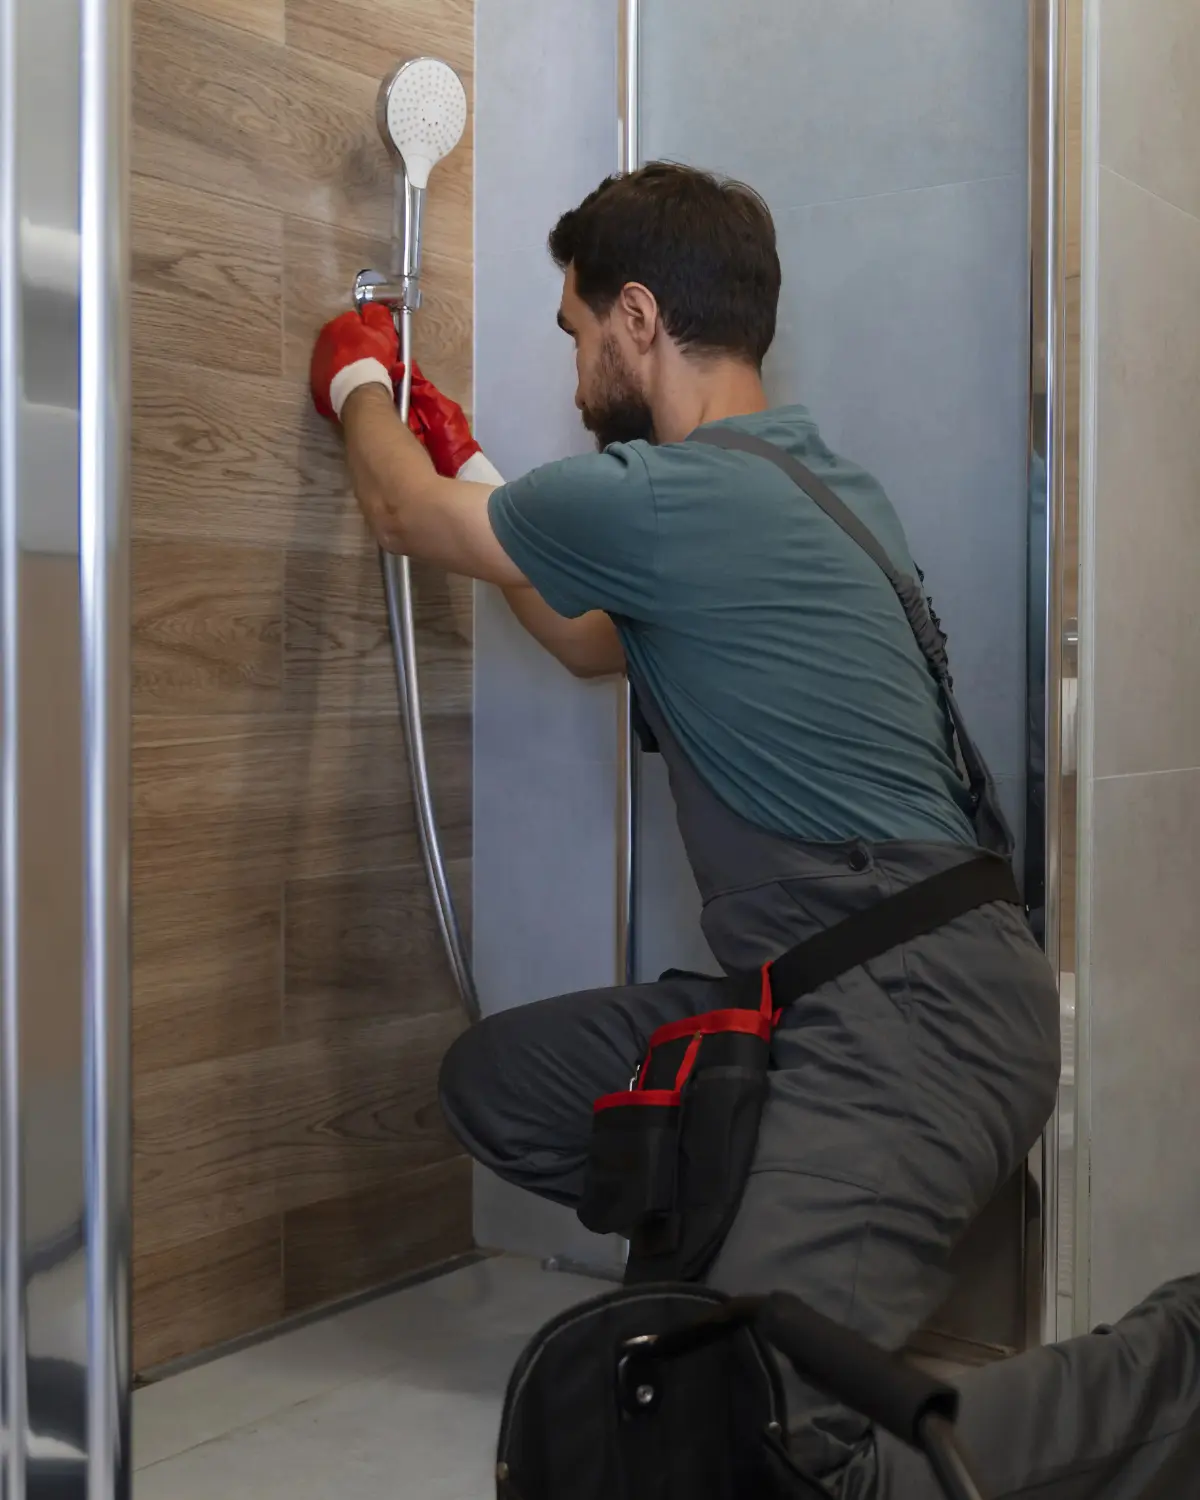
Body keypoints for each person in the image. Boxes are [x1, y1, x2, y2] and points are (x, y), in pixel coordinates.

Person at [311, 163, 1200, 1498]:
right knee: (501, 1082)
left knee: (768, 1457)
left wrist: (359, 381)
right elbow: (582, 641)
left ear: (639, 318)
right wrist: (473, 454)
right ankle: (734, 1287)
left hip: (912, 1015)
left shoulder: (659, 496)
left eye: (573, 331)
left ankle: (1177, 1373)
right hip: (857, 986)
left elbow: (397, 513)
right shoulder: (815, 485)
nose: (572, 370)